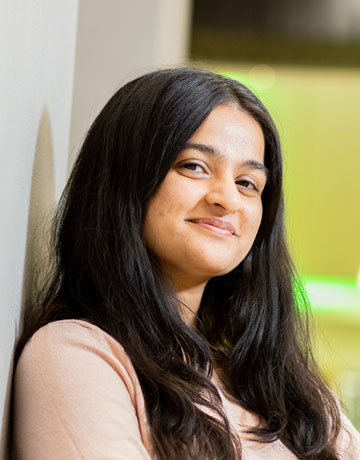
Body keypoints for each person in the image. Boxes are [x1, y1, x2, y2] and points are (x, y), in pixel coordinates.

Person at [12, 67, 360, 459]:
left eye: (248, 183)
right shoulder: (76, 356)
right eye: (194, 166)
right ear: (127, 179)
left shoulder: (293, 395)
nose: (227, 199)